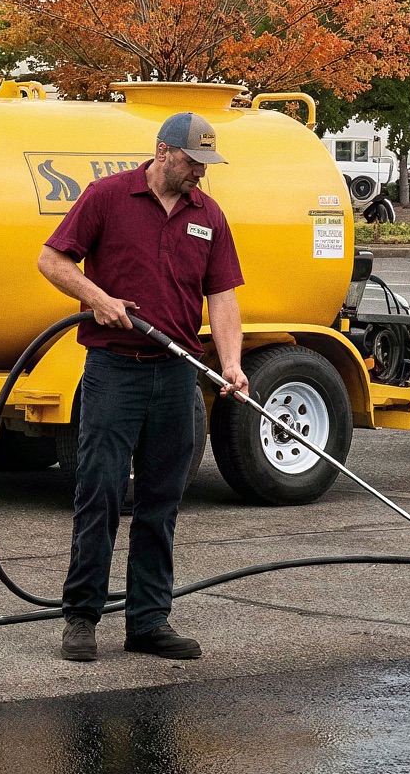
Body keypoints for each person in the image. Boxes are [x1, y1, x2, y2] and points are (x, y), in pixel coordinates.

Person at [34, 109, 250, 663]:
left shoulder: (210, 215)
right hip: (114, 371)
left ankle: (148, 622)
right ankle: (81, 618)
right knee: (101, 494)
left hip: (177, 373)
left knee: (162, 500)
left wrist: (231, 362)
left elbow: (222, 296)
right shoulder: (108, 197)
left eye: (207, 164)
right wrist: (97, 299)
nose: (200, 174)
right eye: (192, 162)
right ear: (162, 152)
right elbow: (51, 259)